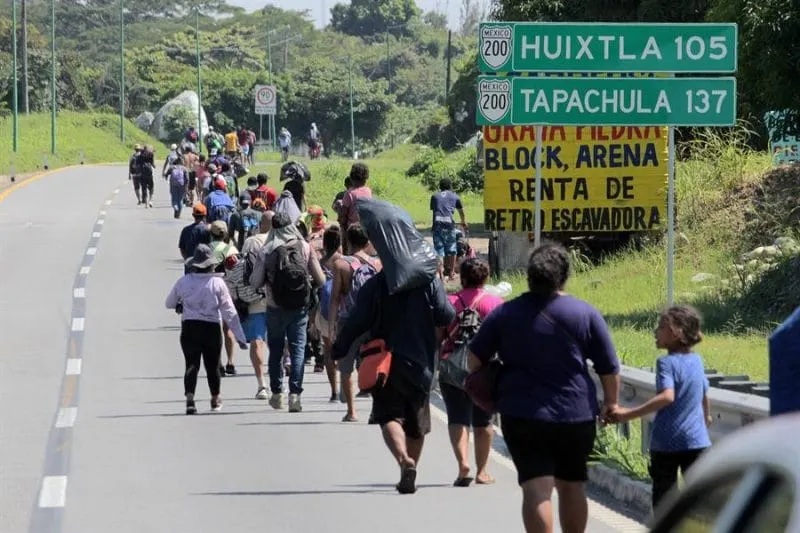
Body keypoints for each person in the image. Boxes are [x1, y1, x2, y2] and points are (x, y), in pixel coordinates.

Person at [467, 242, 621, 533]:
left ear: (530, 276)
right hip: (575, 414)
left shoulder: (505, 313)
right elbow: (609, 367)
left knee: (536, 490)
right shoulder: (584, 313)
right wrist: (611, 403)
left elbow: (474, 361)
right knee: (572, 486)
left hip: (522, 413)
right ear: (564, 276)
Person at [333, 238, 455, 494]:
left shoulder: (376, 284)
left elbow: (357, 321)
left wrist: (340, 348)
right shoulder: (428, 282)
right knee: (417, 424)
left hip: (385, 362)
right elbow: (446, 315)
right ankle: (410, 469)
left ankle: (403, 459)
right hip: (421, 363)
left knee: (389, 415)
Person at [609, 305, 711, 510]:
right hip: (696, 441)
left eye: (661, 327)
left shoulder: (666, 363)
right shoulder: (697, 360)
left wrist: (628, 414)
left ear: (676, 332)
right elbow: (704, 392)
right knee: (700, 502)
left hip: (667, 442)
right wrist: (706, 418)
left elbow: (667, 396)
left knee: (664, 503)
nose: (656, 331)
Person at [249, 212, 325, 414]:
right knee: (298, 350)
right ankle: (295, 396)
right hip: (299, 308)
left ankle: (277, 394)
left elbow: (255, 282)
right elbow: (321, 279)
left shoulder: (267, 250)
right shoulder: (305, 247)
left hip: (274, 308)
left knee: (275, 351)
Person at [439, 257, 504, 487]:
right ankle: (482, 471)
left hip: (452, 368)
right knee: (483, 420)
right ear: (486, 278)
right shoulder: (495, 304)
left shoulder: (449, 302)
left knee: (457, 417)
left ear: (463, 279)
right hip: (484, 370)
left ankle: (463, 465)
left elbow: (439, 337)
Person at [165, 244, 248, 415]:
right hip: (211, 327)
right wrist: (240, 336)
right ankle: (215, 397)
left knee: (191, 363)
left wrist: (182, 304)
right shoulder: (218, 283)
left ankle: (190, 399)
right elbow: (229, 311)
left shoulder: (184, 281)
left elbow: (169, 303)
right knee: (213, 365)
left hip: (189, 326)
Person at [329, 224, 381, 422]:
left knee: (346, 367)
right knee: (375, 362)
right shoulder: (377, 264)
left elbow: (335, 298)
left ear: (348, 241)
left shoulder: (341, 265)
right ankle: (376, 409)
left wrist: (332, 326)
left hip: (348, 321)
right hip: (373, 321)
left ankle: (351, 411)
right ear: (367, 241)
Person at [238, 211, 275, 399]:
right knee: (278, 342)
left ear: (261, 224)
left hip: (256, 299)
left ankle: (262, 385)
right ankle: (279, 382)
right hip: (279, 299)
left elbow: (242, 269)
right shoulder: (285, 240)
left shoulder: (251, 242)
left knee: (257, 340)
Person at [317, 225, 343, 402]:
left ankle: (334, 391)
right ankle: (346, 385)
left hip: (325, 311)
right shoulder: (344, 261)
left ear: (325, 244)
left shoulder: (320, 262)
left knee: (328, 351)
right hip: (343, 310)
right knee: (345, 349)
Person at [430, 178, 467, 281]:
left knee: (439, 251)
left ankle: (441, 274)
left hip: (437, 225)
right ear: (450, 186)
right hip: (449, 225)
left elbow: (435, 211)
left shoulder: (434, 196)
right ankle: (451, 273)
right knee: (451, 249)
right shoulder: (455, 196)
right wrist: (464, 222)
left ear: (440, 187)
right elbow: (461, 212)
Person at [338, 164, 372, 253]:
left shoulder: (349, 193)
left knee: (349, 252)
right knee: (363, 250)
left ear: (352, 178)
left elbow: (344, 214)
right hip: (364, 228)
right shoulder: (368, 191)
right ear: (366, 178)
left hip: (351, 230)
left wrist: (342, 225)